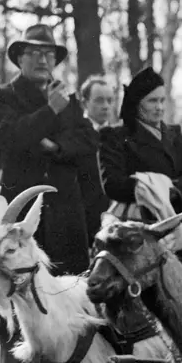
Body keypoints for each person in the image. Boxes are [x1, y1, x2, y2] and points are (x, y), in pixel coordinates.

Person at [0, 24, 99, 363]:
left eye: (50, 53)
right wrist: (51, 114)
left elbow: (86, 143)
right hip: (17, 218)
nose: (44, 59)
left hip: (63, 214)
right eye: (34, 52)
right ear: (19, 58)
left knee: (64, 294)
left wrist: (52, 143)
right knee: (10, 295)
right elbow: (11, 138)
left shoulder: (70, 100)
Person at [100, 67, 182, 271]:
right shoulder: (116, 136)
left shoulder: (174, 135)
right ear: (137, 104)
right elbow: (112, 184)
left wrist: (170, 190)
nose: (160, 107)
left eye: (162, 100)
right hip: (137, 228)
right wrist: (152, 186)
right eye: (152, 101)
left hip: (174, 223)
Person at [75, 75, 114, 244]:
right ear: (84, 103)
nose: (105, 106)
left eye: (109, 100)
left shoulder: (117, 137)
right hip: (82, 219)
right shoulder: (75, 135)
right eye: (99, 100)